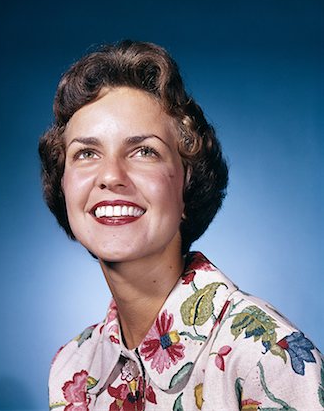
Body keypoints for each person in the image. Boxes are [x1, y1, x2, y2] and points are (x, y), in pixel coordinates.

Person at [39, 41, 323, 410]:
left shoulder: (266, 356)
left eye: (144, 151)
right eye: (87, 153)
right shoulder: (72, 367)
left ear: (188, 183)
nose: (110, 176)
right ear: (63, 185)